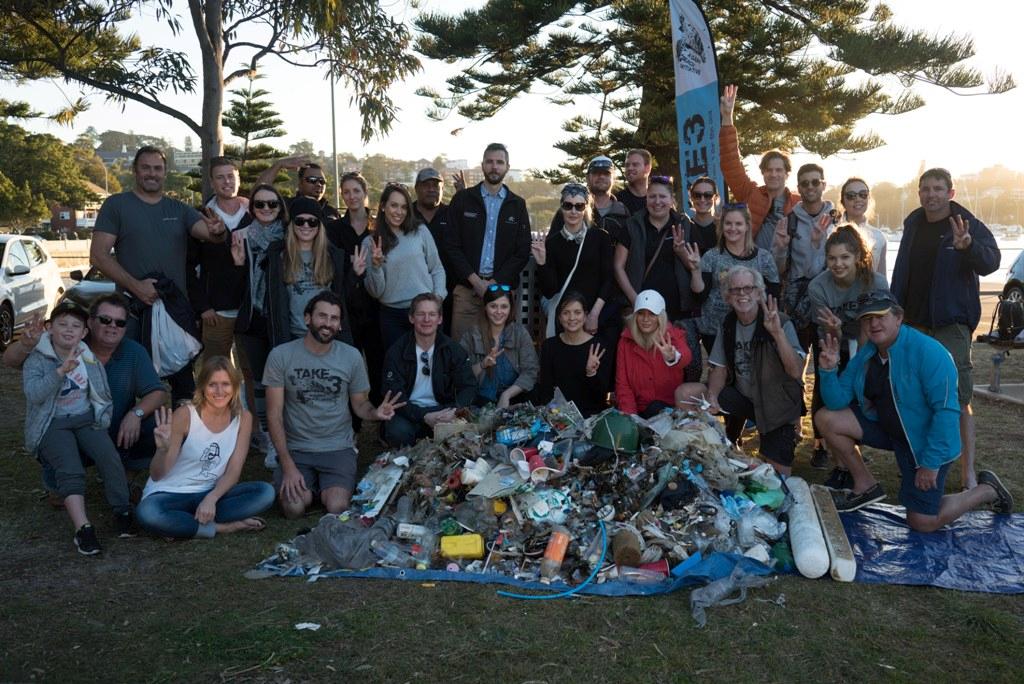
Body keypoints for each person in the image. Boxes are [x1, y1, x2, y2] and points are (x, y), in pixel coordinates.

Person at [815, 290, 1013, 529]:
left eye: (881, 316)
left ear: (899, 318)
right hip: (893, 432)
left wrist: (930, 465)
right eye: (867, 318)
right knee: (826, 418)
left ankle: (986, 490)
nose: (874, 323)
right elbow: (836, 403)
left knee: (922, 521)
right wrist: (828, 371)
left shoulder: (930, 352)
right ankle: (865, 484)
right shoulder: (868, 353)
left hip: (925, 445)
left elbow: (947, 413)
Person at [890, 168, 1000, 491]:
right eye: (925, 189)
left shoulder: (965, 222)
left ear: (950, 193)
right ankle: (925, 464)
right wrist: (895, 311)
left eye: (938, 188)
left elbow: (991, 261)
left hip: (950, 326)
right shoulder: (912, 224)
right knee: (917, 397)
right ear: (919, 192)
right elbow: (901, 272)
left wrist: (967, 246)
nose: (931, 194)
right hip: (913, 324)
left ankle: (967, 472)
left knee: (959, 398)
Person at [90, 146, 226, 403]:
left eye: (157, 168)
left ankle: (181, 440)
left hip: (177, 313)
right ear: (135, 170)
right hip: (132, 313)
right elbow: (98, 255)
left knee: (184, 392)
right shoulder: (117, 205)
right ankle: (130, 438)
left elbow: (210, 234)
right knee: (126, 388)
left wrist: (218, 231)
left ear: (165, 172)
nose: (152, 174)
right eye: (146, 168)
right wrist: (136, 286)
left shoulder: (179, 208)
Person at [264, 292, 405, 517]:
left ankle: (322, 487)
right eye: (322, 316)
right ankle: (304, 485)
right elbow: (273, 415)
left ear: (340, 325)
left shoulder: (351, 357)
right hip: (297, 448)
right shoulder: (281, 355)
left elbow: (360, 405)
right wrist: (288, 466)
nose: (327, 324)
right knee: (294, 509)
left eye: (334, 319)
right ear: (307, 318)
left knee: (338, 506)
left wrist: (376, 413)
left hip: (337, 447)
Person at [6, 294, 168, 477]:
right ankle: (60, 477)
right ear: (90, 323)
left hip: (115, 428)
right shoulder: (68, 341)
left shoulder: (134, 351)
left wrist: (135, 414)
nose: (112, 326)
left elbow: (158, 392)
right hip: (67, 429)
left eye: (120, 323)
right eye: (105, 320)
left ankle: (126, 469)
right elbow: (10, 360)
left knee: (158, 421)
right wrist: (25, 345)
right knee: (62, 457)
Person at [23, 301, 133, 554]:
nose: (69, 330)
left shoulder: (86, 354)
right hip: (53, 423)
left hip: (85, 418)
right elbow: (34, 394)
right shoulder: (37, 358)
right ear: (50, 328)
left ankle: (123, 511)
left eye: (76, 326)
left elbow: (100, 387)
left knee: (110, 458)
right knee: (71, 469)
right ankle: (83, 529)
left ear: (84, 332)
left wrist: (102, 415)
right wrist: (60, 371)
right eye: (62, 324)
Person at [135, 356, 275, 539]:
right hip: (170, 494)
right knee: (148, 513)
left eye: (225, 384)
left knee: (265, 493)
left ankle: (180, 524)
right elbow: (157, 475)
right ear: (202, 386)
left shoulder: (244, 418)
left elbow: (233, 471)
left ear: (234, 386)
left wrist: (212, 498)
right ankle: (221, 527)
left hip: (211, 492)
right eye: (212, 384)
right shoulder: (185, 415)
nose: (219, 391)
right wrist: (162, 450)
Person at [705, 266, 806, 474]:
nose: (742, 294)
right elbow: (719, 368)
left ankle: (787, 432)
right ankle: (729, 441)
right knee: (689, 394)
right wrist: (713, 396)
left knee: (777, 476)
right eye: (735, 290)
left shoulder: (780, 321)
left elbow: (796, 371)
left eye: (748, 288)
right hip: (745, 399)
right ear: (727, 296)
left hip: (776, 407)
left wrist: (777, 334)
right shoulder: (728, 323)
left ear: (759, 292)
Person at [807, 226, 889, 479]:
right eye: (832, 258)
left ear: (857, 257)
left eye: (844, 257)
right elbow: (829, 335)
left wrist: (863, 357)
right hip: (833, 342)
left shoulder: (875, 282)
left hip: (869, 342)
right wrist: (837, 332)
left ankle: (852, 460)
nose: (838, 264)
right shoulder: (818, 287)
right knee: (827, 398)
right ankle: (840, 464)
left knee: (861, 397)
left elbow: (879, 328)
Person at [614, 175, 704, 380]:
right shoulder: (633, 225)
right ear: (646, 199)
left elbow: (697, 267)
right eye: (652, 196)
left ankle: (680, 405)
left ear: (672, 199)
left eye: (662, 196)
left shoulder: (685, 225)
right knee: (642, 364)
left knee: (682, 363)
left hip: (676, 308)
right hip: (643, 309)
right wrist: (634, 300)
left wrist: (681, 252)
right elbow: (618, 267)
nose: (657, 202)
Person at [445, 143, 532, 341]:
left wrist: (494, 283)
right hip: (466, 291)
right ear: (482, 165)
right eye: (490, 162)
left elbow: (522, 250)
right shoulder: (463, 199)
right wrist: (475, 281)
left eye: (499, 162)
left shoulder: (517, 205)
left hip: (500, 294)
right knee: (461, 351)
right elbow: (451, 245)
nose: (494, 167)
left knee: (498, 352)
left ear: (507, 167)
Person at [231, 184, 288, 467]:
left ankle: (289, 436)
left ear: (280, 207)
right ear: (251, 208)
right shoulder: (240, 237)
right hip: (253, 317)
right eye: (259, 205)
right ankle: (267, 437)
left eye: (272, 204)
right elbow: (231, 281)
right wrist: (238, 265)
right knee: (260, 381)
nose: (266, 210)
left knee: (284, 379)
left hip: (281, 318)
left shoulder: (290, 235)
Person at [381, 293, 476, 447]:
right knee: (396, 430)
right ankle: (405, 463)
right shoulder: (396, 351)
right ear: (411, 318)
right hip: (410, 411)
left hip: (444, 411)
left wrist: (455, 410)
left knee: (471, 423)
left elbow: (469, 387)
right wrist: (424, 415)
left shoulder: (453, 350)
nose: (427, 319)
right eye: (421, 314)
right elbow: (394, 395)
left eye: (432, 314)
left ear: (440, 319)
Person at [361, 183, 447, 350]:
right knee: (400, 369)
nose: (399, 212)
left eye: (404, 207)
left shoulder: (420, 231)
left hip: (425, 312)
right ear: (383, 206)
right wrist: (377, 267)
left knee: (430, 365)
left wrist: (437, 298)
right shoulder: (370, 243)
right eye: (394, 205)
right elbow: (376, 292)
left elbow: (437, 268)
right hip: (392, 317)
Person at [325, 171, 384, 404]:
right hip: (347, 307)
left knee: (378, 364)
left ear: (365, 193)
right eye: (346, 192)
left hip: (376, 305)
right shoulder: (334, 230)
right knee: (347, 366)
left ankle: (382, 419)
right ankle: (352, 423)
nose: (351, 197)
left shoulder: (379, 227)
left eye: (356, 191)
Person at [264, 196, 354, 349]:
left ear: (319, 226)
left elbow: (343, 297)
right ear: (292, 224)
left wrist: (356, 274)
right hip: (292, 337)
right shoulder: (278, 255)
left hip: (327, 338)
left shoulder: (333, 256)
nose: (306, 226)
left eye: (312, 221)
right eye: (300, 221)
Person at [188, 157, 250, 372]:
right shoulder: (200, 217)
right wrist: (202, 307)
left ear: (239, 179)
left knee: (252, 372)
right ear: (211, 182)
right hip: (216, 314)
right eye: (220, 177)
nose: (227, 182)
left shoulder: (255, 213)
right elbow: (188, 267)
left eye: (231, 176)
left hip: (249, 310)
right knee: (215, 372)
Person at [718, 84, 800, 241]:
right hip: (751, 263)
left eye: (778, 170)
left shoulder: (798, 203)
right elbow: (731, 163)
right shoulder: (749, 193)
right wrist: (727, 117)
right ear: (762, 173)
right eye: (769, 170)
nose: (773, 174)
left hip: (787, 265)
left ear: (787, 174)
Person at [533, 183, 615, 339]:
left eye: (579, 206)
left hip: (593, 315)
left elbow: (608, 280)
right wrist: (542, 263)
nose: (573, 211)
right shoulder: (552, 243)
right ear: (561, 207)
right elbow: (550, 290)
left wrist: (594, 315)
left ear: (586, 208)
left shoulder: (600, 237)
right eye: (568, 205)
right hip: (564, 319)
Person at [697, 204, 781, 354]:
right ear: (722, 226)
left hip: (752, 330)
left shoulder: (764, 258)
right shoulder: (711, 257)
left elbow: (772, 296)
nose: (732, 228)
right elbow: (701, 296)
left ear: (747, 226)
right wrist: (695, 270)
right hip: (714, 330)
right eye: (728, 223)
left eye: (738, 224)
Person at [615, 290, 705, 418]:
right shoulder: (625, 341)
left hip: (669, 409)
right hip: (638, 411)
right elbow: (623, 384)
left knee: (655, 408)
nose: (646, 319)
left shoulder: (672, 334)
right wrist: (631, 417)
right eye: (641, 314)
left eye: (652, 314)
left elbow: (686, 355)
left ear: (661, 316)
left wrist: (673, 357)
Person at [458, 284, 538, 408]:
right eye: (493, 306)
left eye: (504, 306)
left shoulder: (519, 333)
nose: (499, 312)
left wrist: (506, 395)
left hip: (514, 400)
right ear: (485, 307)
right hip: (478, 402)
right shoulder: (471, 335)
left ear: (510, 308)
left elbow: (530, 372)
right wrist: (482, 365)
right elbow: (461, 376)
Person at [535, 292, 611, 417]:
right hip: (559, 416)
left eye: (577, 312)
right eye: (566, 313)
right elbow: (546, 390)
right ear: (559, 317)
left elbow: (602, 396)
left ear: (585, 316)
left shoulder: (598, 346)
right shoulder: (549, 346)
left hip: (591, 417)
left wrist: (591, 373)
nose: (571, 318)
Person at [412, 167, 455, 332]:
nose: (431, 189)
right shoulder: (407, 215)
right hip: (414, 294)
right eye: (426, 185)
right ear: (417, 188)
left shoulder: (452, 214)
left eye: (436, 186)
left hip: (448, 293)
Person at [257, 157, 343, 226]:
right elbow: (258, 194)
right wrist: (278, 165)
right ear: (300, 183)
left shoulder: (332, 212)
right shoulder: (285, 206)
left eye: (322, 181)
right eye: (312, 180)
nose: (319, 184)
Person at [838, 178, 887, 275]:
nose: (858, 199)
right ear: (843, 201)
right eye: (851, 196)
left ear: (869, 199)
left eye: (863, 194)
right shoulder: (830, 231)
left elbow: (881, 277)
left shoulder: (879, 237)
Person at [687, 176, 720, 255]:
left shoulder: (724, 228)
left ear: (715, 198)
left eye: (708, 195)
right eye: (697, 195)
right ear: (691, 197)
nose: (702, 199)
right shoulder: (685, 227)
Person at [618, 148, 652, 215]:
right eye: (627, 165)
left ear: (647, 168)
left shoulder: (657, 200)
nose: (630, 168)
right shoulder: (617, 201)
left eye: (635, 165)